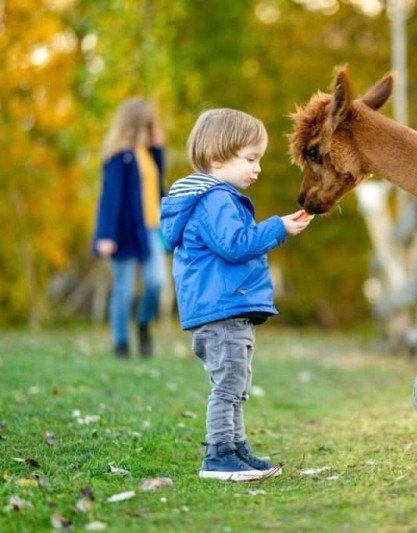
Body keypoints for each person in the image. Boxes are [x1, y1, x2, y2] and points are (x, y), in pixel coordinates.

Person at [160, 108, 311, 482]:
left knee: (236, 384)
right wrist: (277, 228)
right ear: (216, 158)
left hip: (227, 308)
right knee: (228, 385)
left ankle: (236, 448)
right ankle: (218, 454)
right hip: (221, 310)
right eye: (251, 159)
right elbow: (235, 244)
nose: (257, 168)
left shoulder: (219, 198)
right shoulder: (215, 200)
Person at [92, 98, 167, 358]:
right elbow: (109, 198)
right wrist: (105, 235)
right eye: (147, 125)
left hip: (151, 229)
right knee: (123, 289)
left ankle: (144, 322)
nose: (151, 129)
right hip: (123, 231)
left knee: (156, 282)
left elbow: (158, 189)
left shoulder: (148, 154)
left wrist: (158, 149)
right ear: (136, 124)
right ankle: (121, 343)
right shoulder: (118, 156)